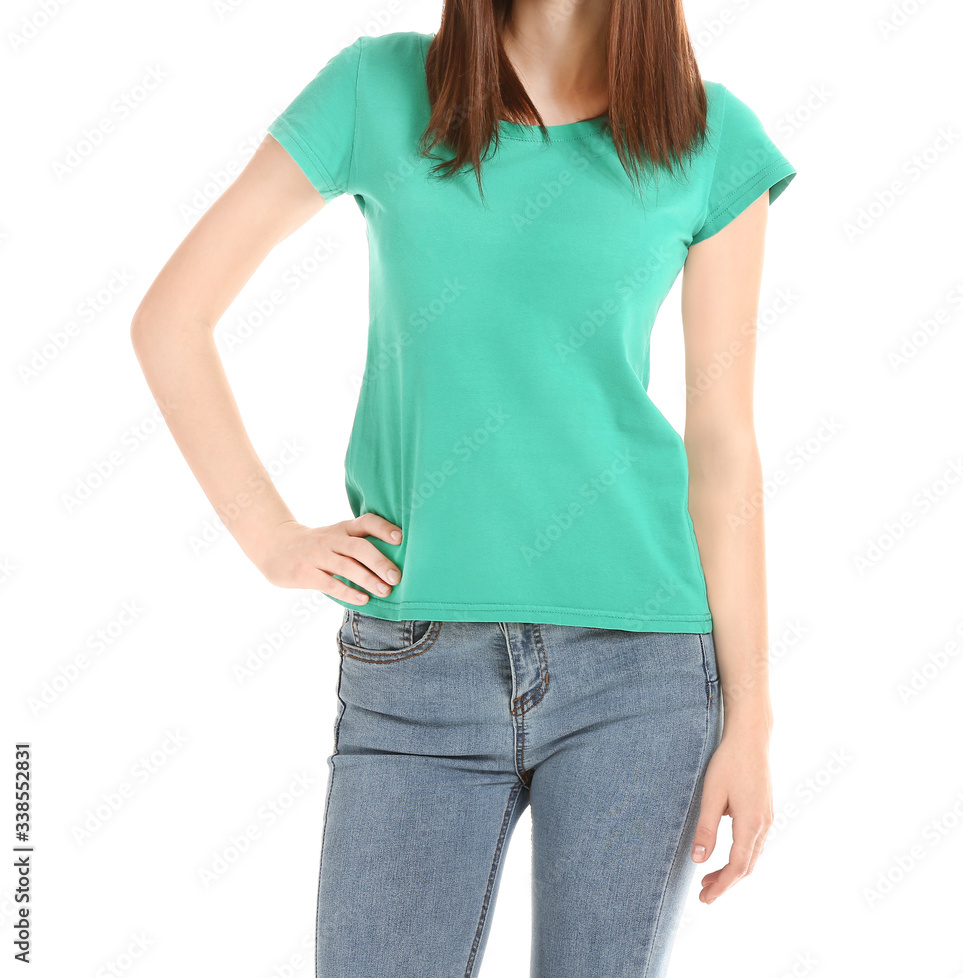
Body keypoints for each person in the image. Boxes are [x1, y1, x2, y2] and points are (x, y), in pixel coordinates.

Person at [131, 1, 796, 974]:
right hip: (414, 668)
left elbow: (723, 444)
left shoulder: (709, 135)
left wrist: (753, 720)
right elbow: (171, 319)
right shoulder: (377, 89)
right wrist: (269, 537)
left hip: (642, 673)